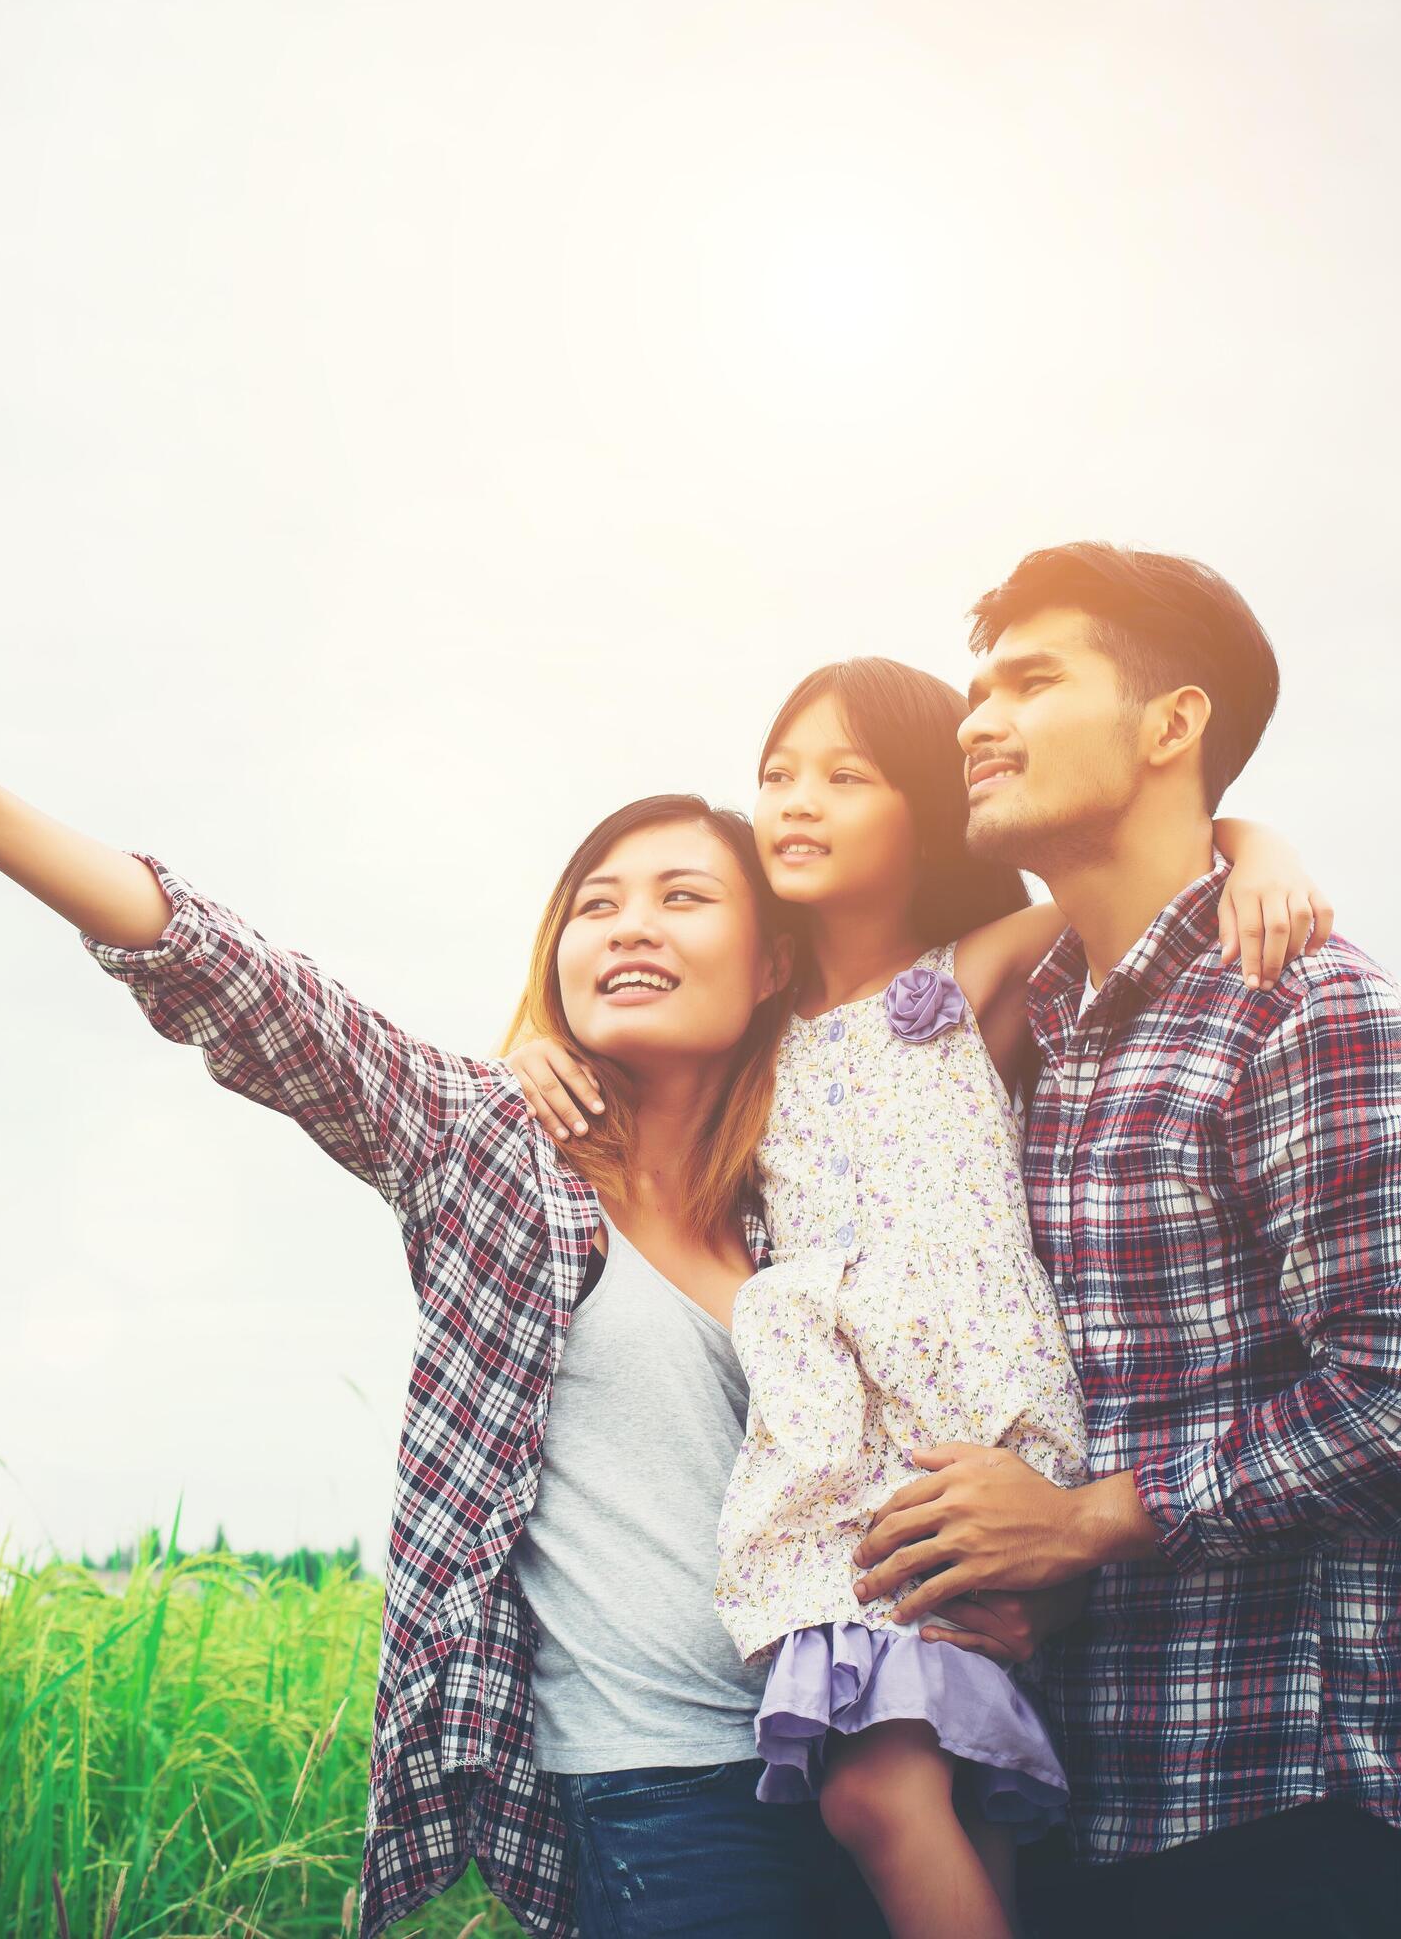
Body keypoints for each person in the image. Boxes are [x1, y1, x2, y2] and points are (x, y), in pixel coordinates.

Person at [0, 666, 883, 1937]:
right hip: (661, 1791)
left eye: (683, 897)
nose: (630, 926)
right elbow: (234, 981)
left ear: (772, 963)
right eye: (595, 905)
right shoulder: (485, 1145)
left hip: (862, 1762)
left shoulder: (802, 1204)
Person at [507, 658, 1329, 1939]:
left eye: (847, 775)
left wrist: (1254, 843)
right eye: (777, 773)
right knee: (949, 1792)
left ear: (934, 810)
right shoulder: (748, 1035)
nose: (796, 799)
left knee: (876, 1795)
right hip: (843, 1449)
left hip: (958, 1422)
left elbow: (1150, 875)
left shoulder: (965, 978)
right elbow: (632, 1058)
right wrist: (534, 1050)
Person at [850, 544, 1401, 1938]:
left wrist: (1093, 1520)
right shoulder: (1037, 1030)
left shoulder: (1302, 1008)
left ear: (1173, 725)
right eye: (976, 689)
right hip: (1063, 1792)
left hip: (1273, 1809)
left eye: (1031, 681)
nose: (977, 721)